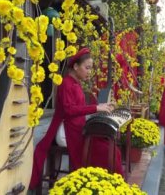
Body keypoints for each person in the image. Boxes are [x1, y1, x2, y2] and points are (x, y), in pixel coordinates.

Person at [29, 47, 124, 190]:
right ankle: (101, 185)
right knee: (105, 150)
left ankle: (108, 185)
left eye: (91, 68)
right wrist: (96, 108)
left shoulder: (76, 82)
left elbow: (80, 107)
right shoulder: (66, 83)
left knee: (110, 147)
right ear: (75, 66)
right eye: (87, 68)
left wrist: (101, 105)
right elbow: (69, 110)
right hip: (67, 130)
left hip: (78, 128)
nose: (89, 72)